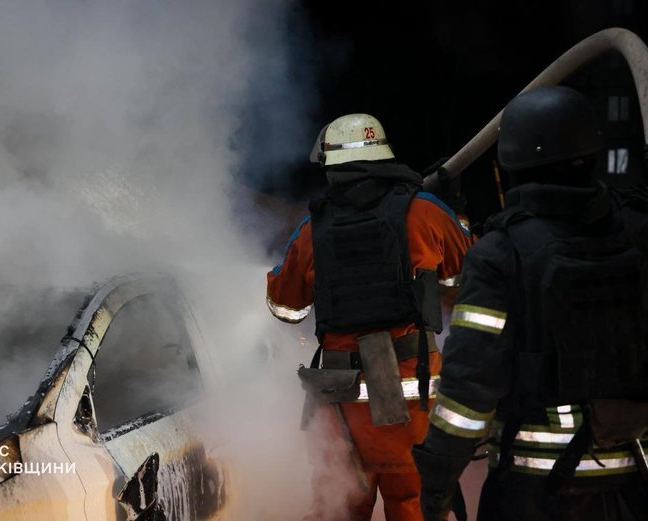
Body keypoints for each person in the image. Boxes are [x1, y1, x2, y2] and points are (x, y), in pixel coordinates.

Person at [412, 86, 648, 521]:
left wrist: (438, 482)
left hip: (534, 497)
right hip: (636, 487)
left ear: (509, 170)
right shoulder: (637, 232)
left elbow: (467, 393)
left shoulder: (503, 254)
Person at [266, 113, 473, 521]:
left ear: (332, 166)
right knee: (414, 507)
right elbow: (465, 273)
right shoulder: (425, 212)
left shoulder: (312, 229)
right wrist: (457, 214)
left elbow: (286, 309)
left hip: (341, 407)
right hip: (412, 404)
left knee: (340, 507)